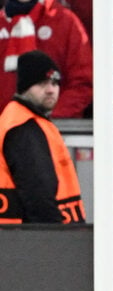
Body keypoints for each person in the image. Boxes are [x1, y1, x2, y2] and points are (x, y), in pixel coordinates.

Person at [0, 0, 91, 118]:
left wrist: (54, 118)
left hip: (56, 128)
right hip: (5, 131)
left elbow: (83, 81)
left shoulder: (65, 21)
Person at [0, 49, 84, 224]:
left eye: (54, 83)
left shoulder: (24, 120)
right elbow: (38, 195)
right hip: (31, 241)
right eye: (41, 83)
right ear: (25, 87)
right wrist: (56, 238)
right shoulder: (24, 126)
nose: (50, 90)